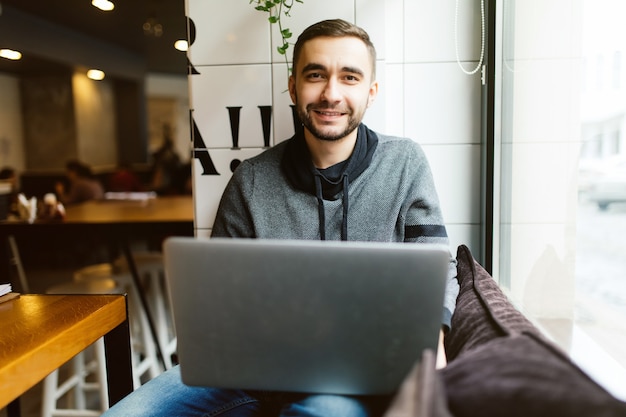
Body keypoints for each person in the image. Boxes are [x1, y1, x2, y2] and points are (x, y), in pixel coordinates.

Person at [103, 19, 459, 417]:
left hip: (354, 368)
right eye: (315, 75)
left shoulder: (405, 163)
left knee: (323, 411)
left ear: (370, 92)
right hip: (251, 366)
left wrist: (435, 340)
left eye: (350, 77)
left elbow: (437, 266)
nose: (331, 93)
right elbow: (218, 294)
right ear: (293, 87)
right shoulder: (251, 179)